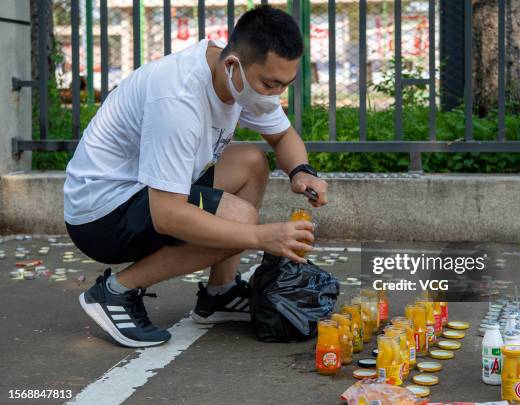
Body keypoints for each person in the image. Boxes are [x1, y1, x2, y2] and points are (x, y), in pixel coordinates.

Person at [63, 5, 328, 348]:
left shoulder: (242, 75)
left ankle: (220, 292)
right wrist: (258, 236)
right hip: (101, 213)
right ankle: (114, 292)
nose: (274, 94)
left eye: (284, 84)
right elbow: (167, 214)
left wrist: (302, 171)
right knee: (239, 220)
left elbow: (282, 137)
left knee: (251, 162)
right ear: (234, 65)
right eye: (270, 84)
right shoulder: (178, 99)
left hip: (142, 189)